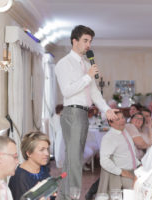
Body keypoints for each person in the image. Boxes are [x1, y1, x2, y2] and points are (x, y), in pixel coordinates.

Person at [55, 25, 117, 199]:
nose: (88, 45)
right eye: (85, 41)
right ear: (74, 41)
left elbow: (95, 93)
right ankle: (72, 196)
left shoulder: (87, 64)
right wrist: (88, 76)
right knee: (74, 160)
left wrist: (107, 110)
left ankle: (65, 196)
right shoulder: (64, 63)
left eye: (90, 41)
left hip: (82, 113)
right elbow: (67, 91)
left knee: (74, 159)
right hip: (72, 112)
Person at [97, 111, 140, 194]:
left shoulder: (124, 131)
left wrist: (139, 164)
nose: (122, 121)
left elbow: (129, 153)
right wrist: (121, 172)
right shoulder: (109, 138)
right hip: (123, 174)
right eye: (118, 119)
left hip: (134, 170)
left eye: (123, 117)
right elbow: (104, 161)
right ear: (110, 123)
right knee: (137, 189)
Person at [9, 132, 51, 200]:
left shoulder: (44, 169)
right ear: (29, 153)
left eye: (47, 149)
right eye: (42, 150)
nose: (47, 153)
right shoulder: (20, 178)